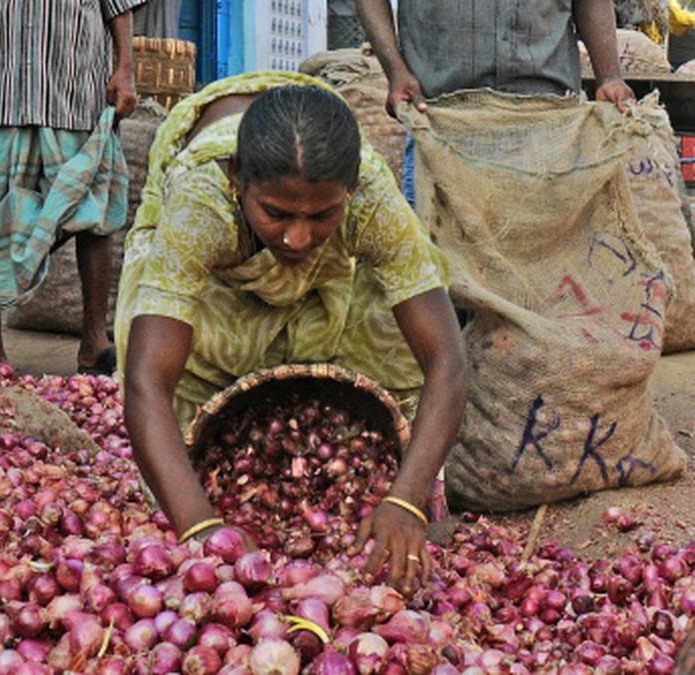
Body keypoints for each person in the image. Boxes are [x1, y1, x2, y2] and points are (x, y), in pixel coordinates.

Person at [116, 72, 467, 595]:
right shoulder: (202, 205)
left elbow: (446, 359)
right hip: (212, 217)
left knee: (392, 336)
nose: (298, 237)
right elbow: (147, 379)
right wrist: (203, 528)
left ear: (350, 191)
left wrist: (405, 497)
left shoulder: (372, 200)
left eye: (323, 215)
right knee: (176, 374)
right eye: (276, 213)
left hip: (307, 182)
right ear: (238, 181)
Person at [0, 0, 143, 374]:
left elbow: (119, 5)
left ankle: (94, 341)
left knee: (93, 213)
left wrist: (125, 69)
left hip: (74, 93)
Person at [355, 0, 635, 206]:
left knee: (543, 252)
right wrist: (395, 70)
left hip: (546, 123)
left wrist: (609, 75)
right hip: (443, 121)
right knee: (440, 256)